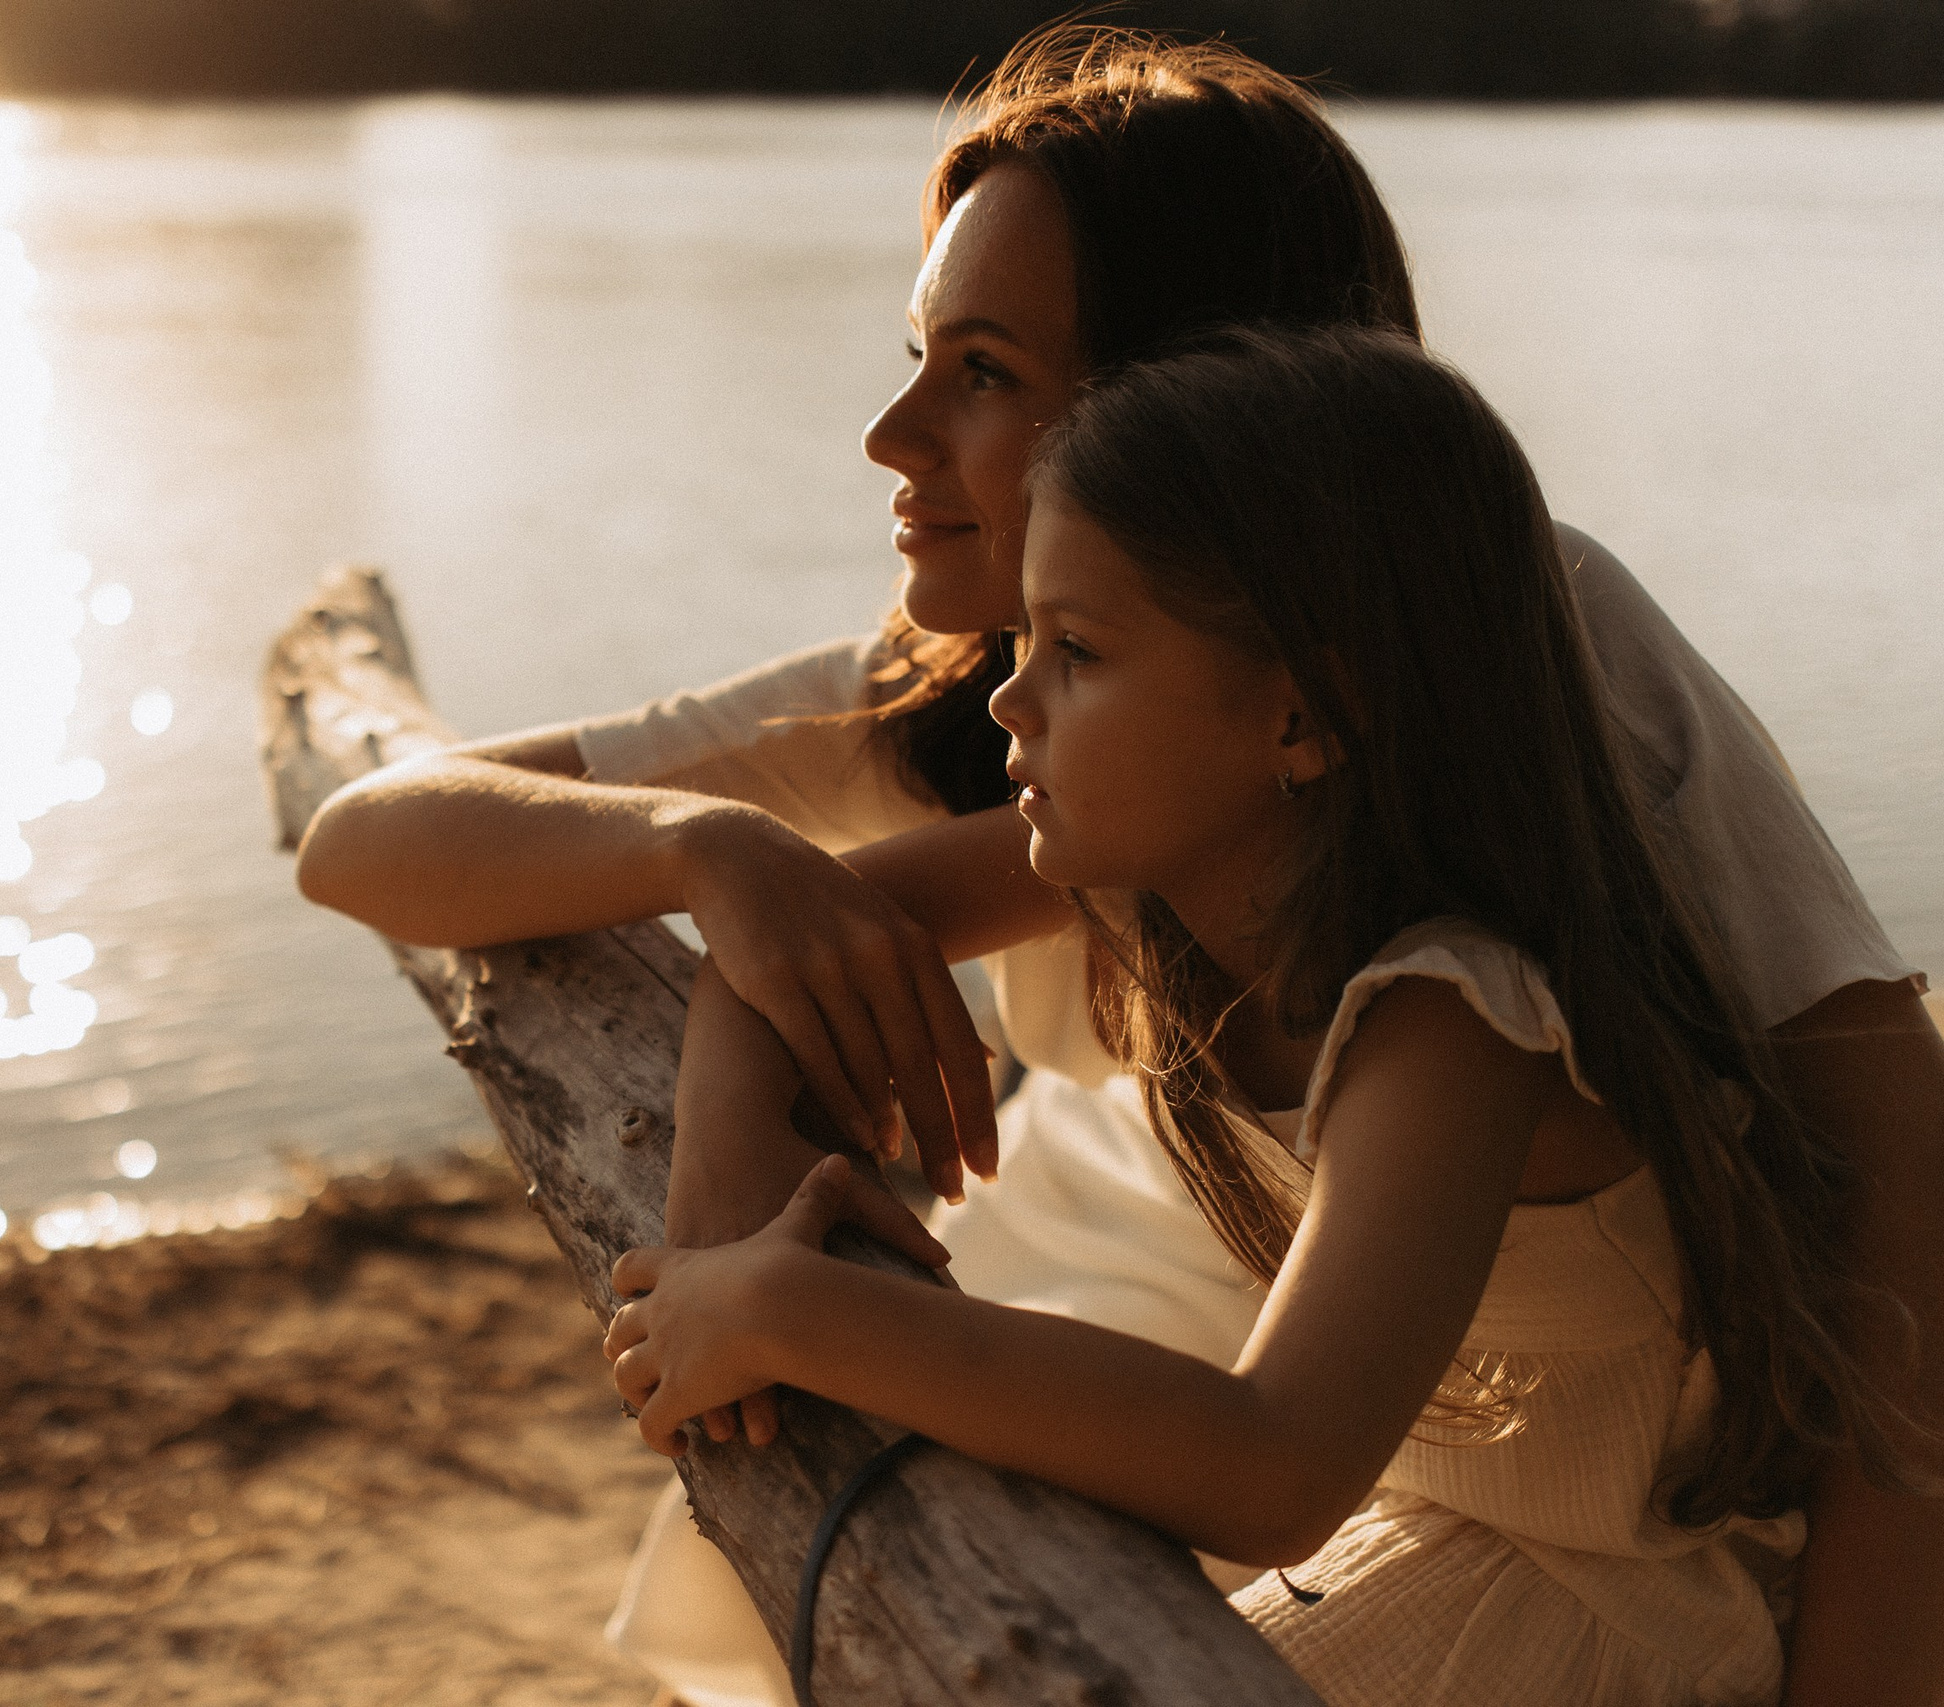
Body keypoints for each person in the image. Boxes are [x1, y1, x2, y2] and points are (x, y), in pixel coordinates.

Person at [292, 27, 1943, 1704]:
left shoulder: (1520, 673)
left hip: (1481, 1396)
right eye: (921, 352)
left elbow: (1895, 1166)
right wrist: (710, 869)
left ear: (1210, 406)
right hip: (1313, 1316)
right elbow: (366, 837)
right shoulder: (1015, 707)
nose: (889, 432)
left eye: (988, 371)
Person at [599, 320, 1931, 1704]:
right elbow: (801, 933)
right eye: (1027, 639)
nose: (1008, 696)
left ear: (1305, 720)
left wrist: (797, 1314)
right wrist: (742, 1185)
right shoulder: (1173, 885)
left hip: (1606, 1620)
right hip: (1452, 1540)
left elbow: (1271, 1464)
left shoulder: (1455, 1022)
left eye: (1080, 652)